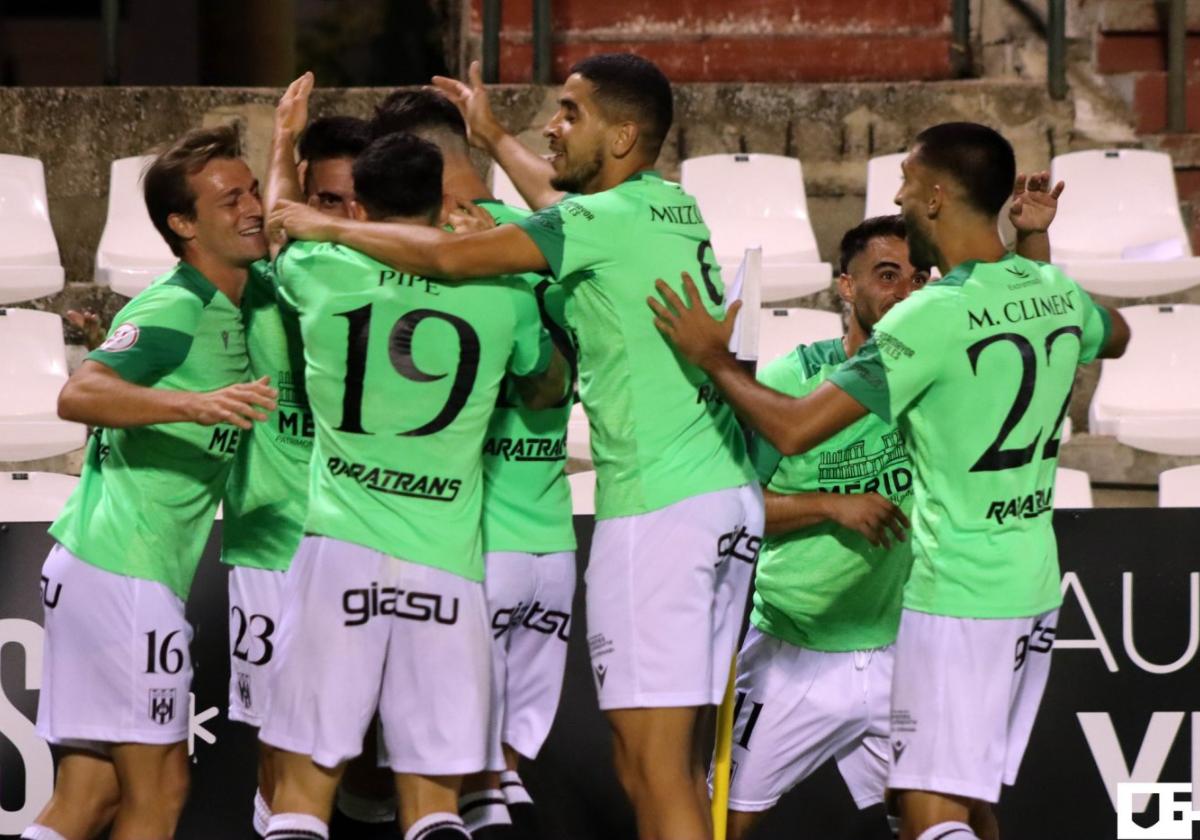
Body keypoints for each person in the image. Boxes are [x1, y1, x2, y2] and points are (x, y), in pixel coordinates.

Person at [269, 53, 763, 840]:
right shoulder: (670, 205)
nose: (553, 126)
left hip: (660, 507)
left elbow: (447, 257)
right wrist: (493, 136)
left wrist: (319, 221)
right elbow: (554, 215)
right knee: (672, 764)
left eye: (571, 113)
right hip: (726, 497)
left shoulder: (582, 228)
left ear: (625, 134)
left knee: (653, 768)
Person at [648, 121, 1130, 840]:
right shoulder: (1052, 286)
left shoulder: (930, 317)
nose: (899, 196)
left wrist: (713, 359)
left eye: (906, 181)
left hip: (956, 594)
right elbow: (1117, 334)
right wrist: (1033, 249)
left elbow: (795, 428)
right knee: (956, 802)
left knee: (934, 818)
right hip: (1030, 585)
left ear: (936, 196)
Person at [722, 168, 1064, 840]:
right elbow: (735, 507)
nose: (905, 288)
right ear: (844, 288)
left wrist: (1030, 247)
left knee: (963, 812)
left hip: (905, 647)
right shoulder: (795, 379)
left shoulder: (937, 366)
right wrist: (829, 505)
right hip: (795, 650)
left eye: (914, 275)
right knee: (725, 820)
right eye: (884, 274)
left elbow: (1028, 321)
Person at [258, 132, 565, 840]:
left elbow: (281, 217)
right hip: (447, 570)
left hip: (340, 554)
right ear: (443, 201)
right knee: (434, 807)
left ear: (358, 205)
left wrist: (283, 140)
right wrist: (507, 267)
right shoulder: (502, 294)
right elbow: (547, 388)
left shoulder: (321, 270)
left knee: (302, 795)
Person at [23, 125, 277, 840]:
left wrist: (283, 143)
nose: (252, 207)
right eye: (230, 200)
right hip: (123, 572)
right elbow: (78, 395)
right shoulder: (177, 307)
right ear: (184, 225)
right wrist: (190, 405)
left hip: (101, 566)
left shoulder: (245, 296)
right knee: (160, 791)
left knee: (90, 796)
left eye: (252, 190)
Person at [369, 87, 578, 840]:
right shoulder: (545, 233)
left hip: (462, 545)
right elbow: (556, 379)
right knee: (499, 775)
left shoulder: (411, 259)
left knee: (439, 777)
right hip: (550, 537)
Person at [221, 74, 377, 838]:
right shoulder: (258, 282)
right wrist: (282, 141)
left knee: (378, 771)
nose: (340, 217)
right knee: (282, 759)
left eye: (356, 201)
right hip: (271, 549)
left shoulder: (401, 291)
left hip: (367, 550)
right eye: (326, 201)